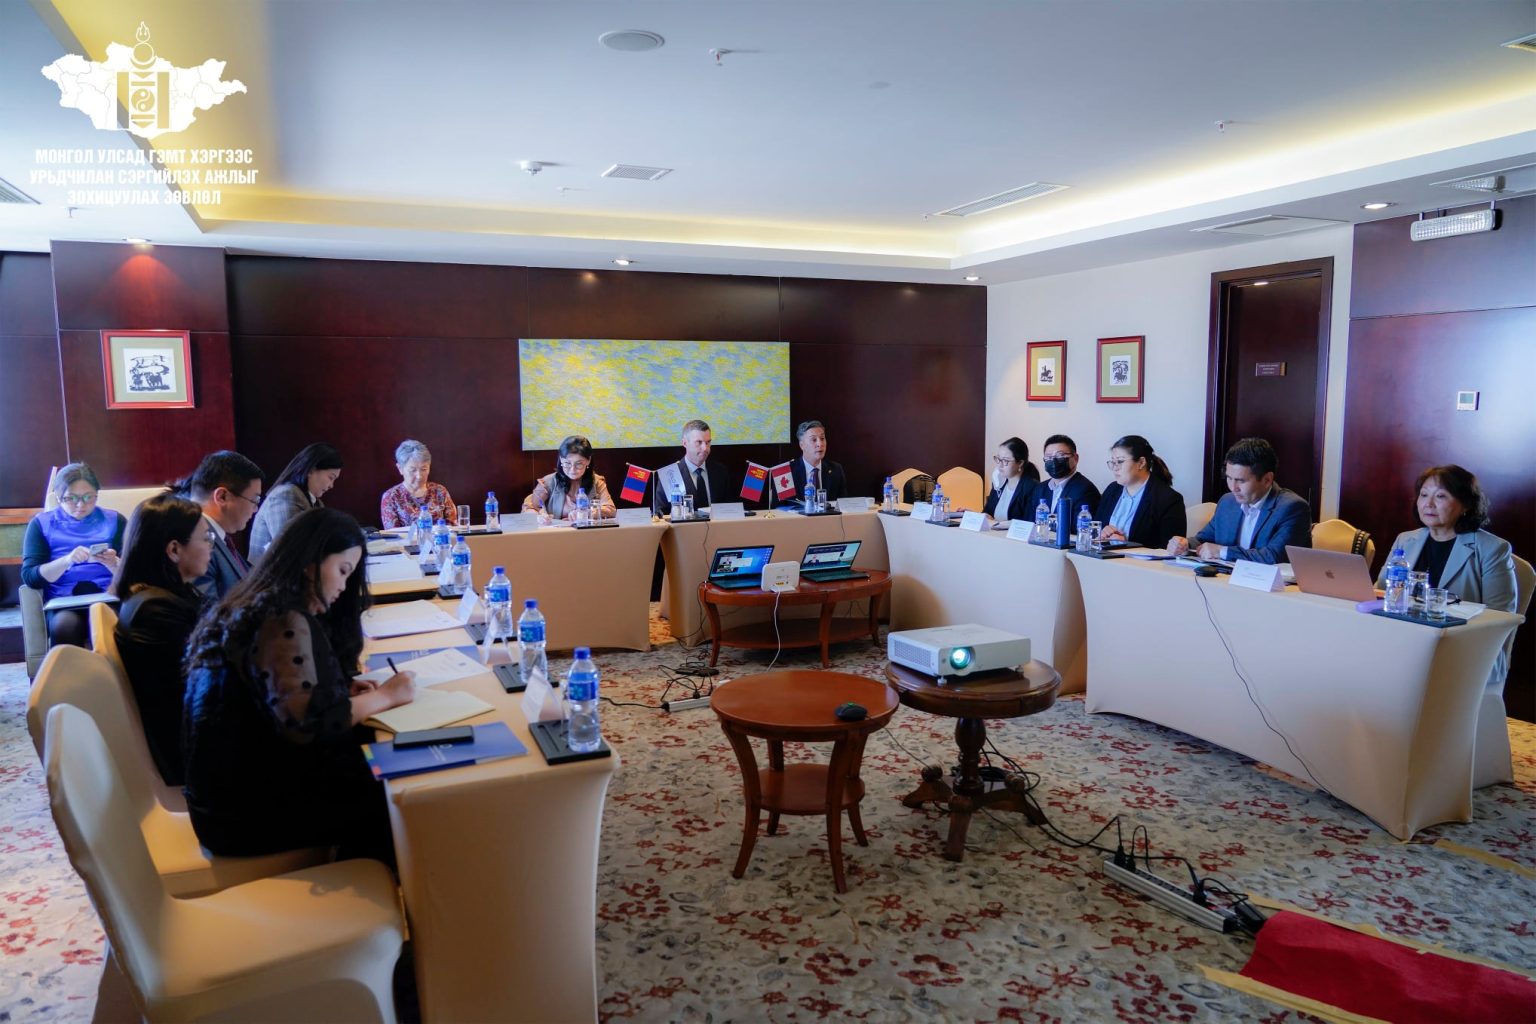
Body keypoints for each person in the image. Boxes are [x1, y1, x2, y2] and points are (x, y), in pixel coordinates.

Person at [182, 507, 416, 862]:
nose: (343, 586)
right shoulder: (280, 618)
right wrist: (385, 696)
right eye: (342, 571)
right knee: (399, 794)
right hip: (245, 815)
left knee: (379, 758)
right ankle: (371, 885)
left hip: (229, 795)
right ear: (311, 561)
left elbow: (271, 696)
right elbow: (310, 724)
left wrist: (336, 690)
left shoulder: (259, 603)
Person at [1378, 465, 1517, 688]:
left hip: (1465, 650)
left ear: (1466, 505)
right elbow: (1381, 592)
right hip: (1405, 641)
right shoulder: (1406, 540)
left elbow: (1500, 616)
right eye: (1424, 495)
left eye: (1440, 496)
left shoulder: (1492, 549)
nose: (1428, 504)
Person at [109, 492, 212, 786]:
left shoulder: (159, 595)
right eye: (206, 539)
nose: (211, 547)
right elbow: (202, 686)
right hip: (192, 755)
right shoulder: (155, 609)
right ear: (174, 550)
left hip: (194, 733)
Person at [21, 462, 126, 647]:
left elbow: (136, 574)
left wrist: (113, 563)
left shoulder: (114, 520)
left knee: (117, 622)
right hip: (64, 602)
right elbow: (30, 577)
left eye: (88, 497)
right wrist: (67, 560)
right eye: (71, 498)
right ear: (58, 497)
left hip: (109, 597)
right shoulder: (41, 524)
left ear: (97, 493)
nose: (80, 505)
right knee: (65, 626)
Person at [1167, 437, 1311, 564]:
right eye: (1229, 478)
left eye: (1241, 481)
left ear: (1267, 480)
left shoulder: (1292, 508)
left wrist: (1222, 552)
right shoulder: (1228, 502)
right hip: (1224, 581)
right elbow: (1204, 539)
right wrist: (1184, 544)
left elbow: (1274, 557)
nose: (1233, 487)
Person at [182, 450, 264, 601]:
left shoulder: (221, 537)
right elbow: (208, 611)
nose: (255, 509)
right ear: (222, 497)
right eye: (254, 500)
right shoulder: (193, 543)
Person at [249, 443, 344, 559]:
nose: (331, 486)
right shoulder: (285, 496)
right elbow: (291, 550)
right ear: (311, 470)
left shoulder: (315, 502)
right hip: (271, 570)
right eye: (331, 477)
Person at [1096, 435, 1185, 549]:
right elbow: (1095, 529)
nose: (1115, 468)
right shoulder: (1112, 489)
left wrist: (1128, 545)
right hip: (1104, 557)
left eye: (1120, 461)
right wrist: (1103, 533)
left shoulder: (1169, 499)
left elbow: (1171, 549)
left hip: (1137, 560)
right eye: (1113, 462)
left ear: (1141, 462)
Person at [523, 435, 616, 521]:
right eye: (567, 463)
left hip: (586, 532)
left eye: (579, 464)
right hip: (556, 532)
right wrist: (539, 516)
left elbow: (610, 509)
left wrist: (587, 513)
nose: (572, 469)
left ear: (588, 460)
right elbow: (529, 507)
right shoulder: (548, 482)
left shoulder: (597, 482)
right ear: (561, 460)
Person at [656, 419, 732, 516]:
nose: (705, 448)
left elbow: (730, 509)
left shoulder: (720, 472)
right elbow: (661, 514)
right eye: (699, 442)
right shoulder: (670, 474)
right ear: (685, 443)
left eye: (708, 442)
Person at [1027, 434, 1103, 528]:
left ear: (1075, 458)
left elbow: (1080, 530)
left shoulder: (1085, 490)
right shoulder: (1040, 489)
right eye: (1049, 457)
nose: (1054, 461)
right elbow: (1030, 524)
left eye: (1060, 455)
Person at [380, 439, 455, 529]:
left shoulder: (440, 491)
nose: (419, 476)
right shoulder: (391, 497)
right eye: (413, 470)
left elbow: (453, 527)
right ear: (400, 468)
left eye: (424, 469)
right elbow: (393, 534)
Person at [982, 437, 1041, 522]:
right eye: (998, 459)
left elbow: (1029, 522)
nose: (1000, 465)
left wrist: (999, 523)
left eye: (1005, 460)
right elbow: (987, 512)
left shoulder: (1031, 488)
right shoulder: (999, 483)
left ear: (1020, 463)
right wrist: (973, 515)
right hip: (993, 530)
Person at [788, 420, 847, 502]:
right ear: (802, 445)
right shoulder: (787, 472)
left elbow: (843, 504)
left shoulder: (836, 469)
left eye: (822, 438)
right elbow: (780, 507)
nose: (820, 444)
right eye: (814, 440)